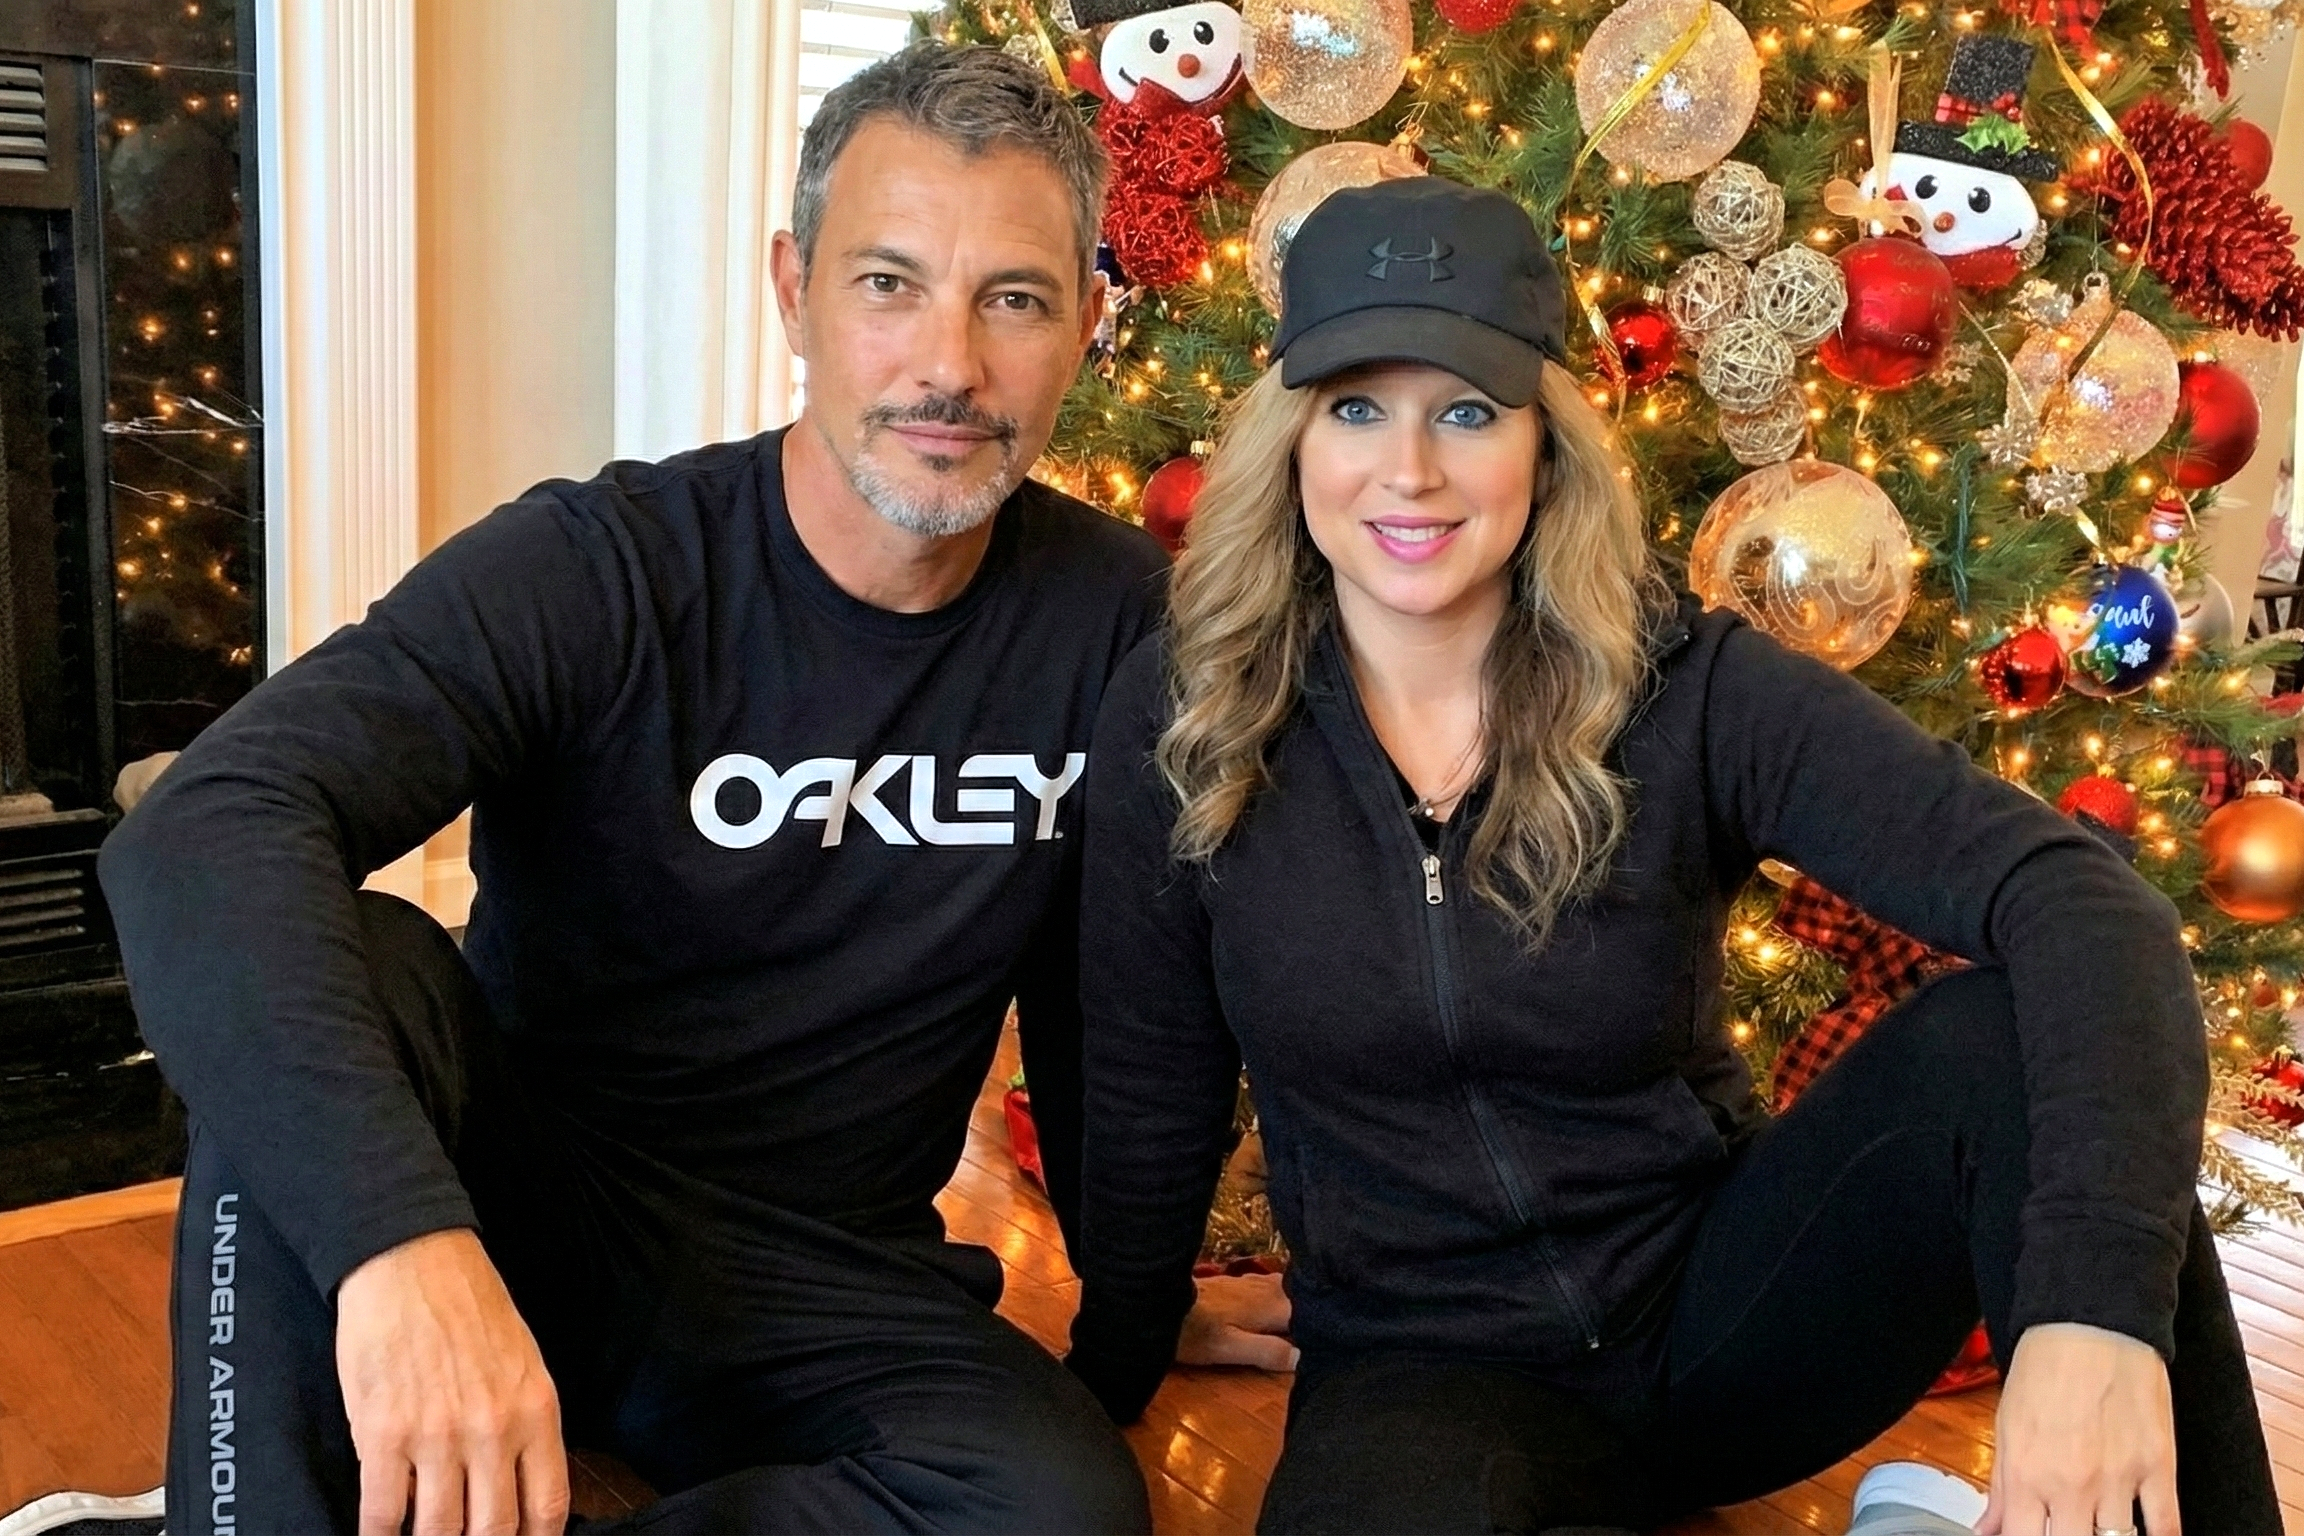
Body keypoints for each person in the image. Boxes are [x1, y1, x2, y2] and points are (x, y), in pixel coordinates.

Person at [97, 42, 1223, 1536]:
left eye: (1010, 298)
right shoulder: (603, 565)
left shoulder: (1120, 620)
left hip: (825, 1279)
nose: (947, 364)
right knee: (345, 961)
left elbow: (1122, 1016)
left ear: (1087, 321)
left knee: (1061, 1507)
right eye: (888, 283)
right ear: (794, 290)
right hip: (517, 1214)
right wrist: (406, 1249)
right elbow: (204, 832)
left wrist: (1133, 1327)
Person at [1065, 175, 2282, 1536]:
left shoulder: (1684, 687)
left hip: (1727, 1323)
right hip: (1424, 1375)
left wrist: (2089, 1314)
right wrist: (1116, 1364)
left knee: (2016, 1039)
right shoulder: (1191, 714)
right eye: (1356, 407)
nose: (1407, 471)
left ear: (1544, 443)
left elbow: (2081, 903)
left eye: (1467, 410)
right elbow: (1145, 1080)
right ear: (1290, 441)